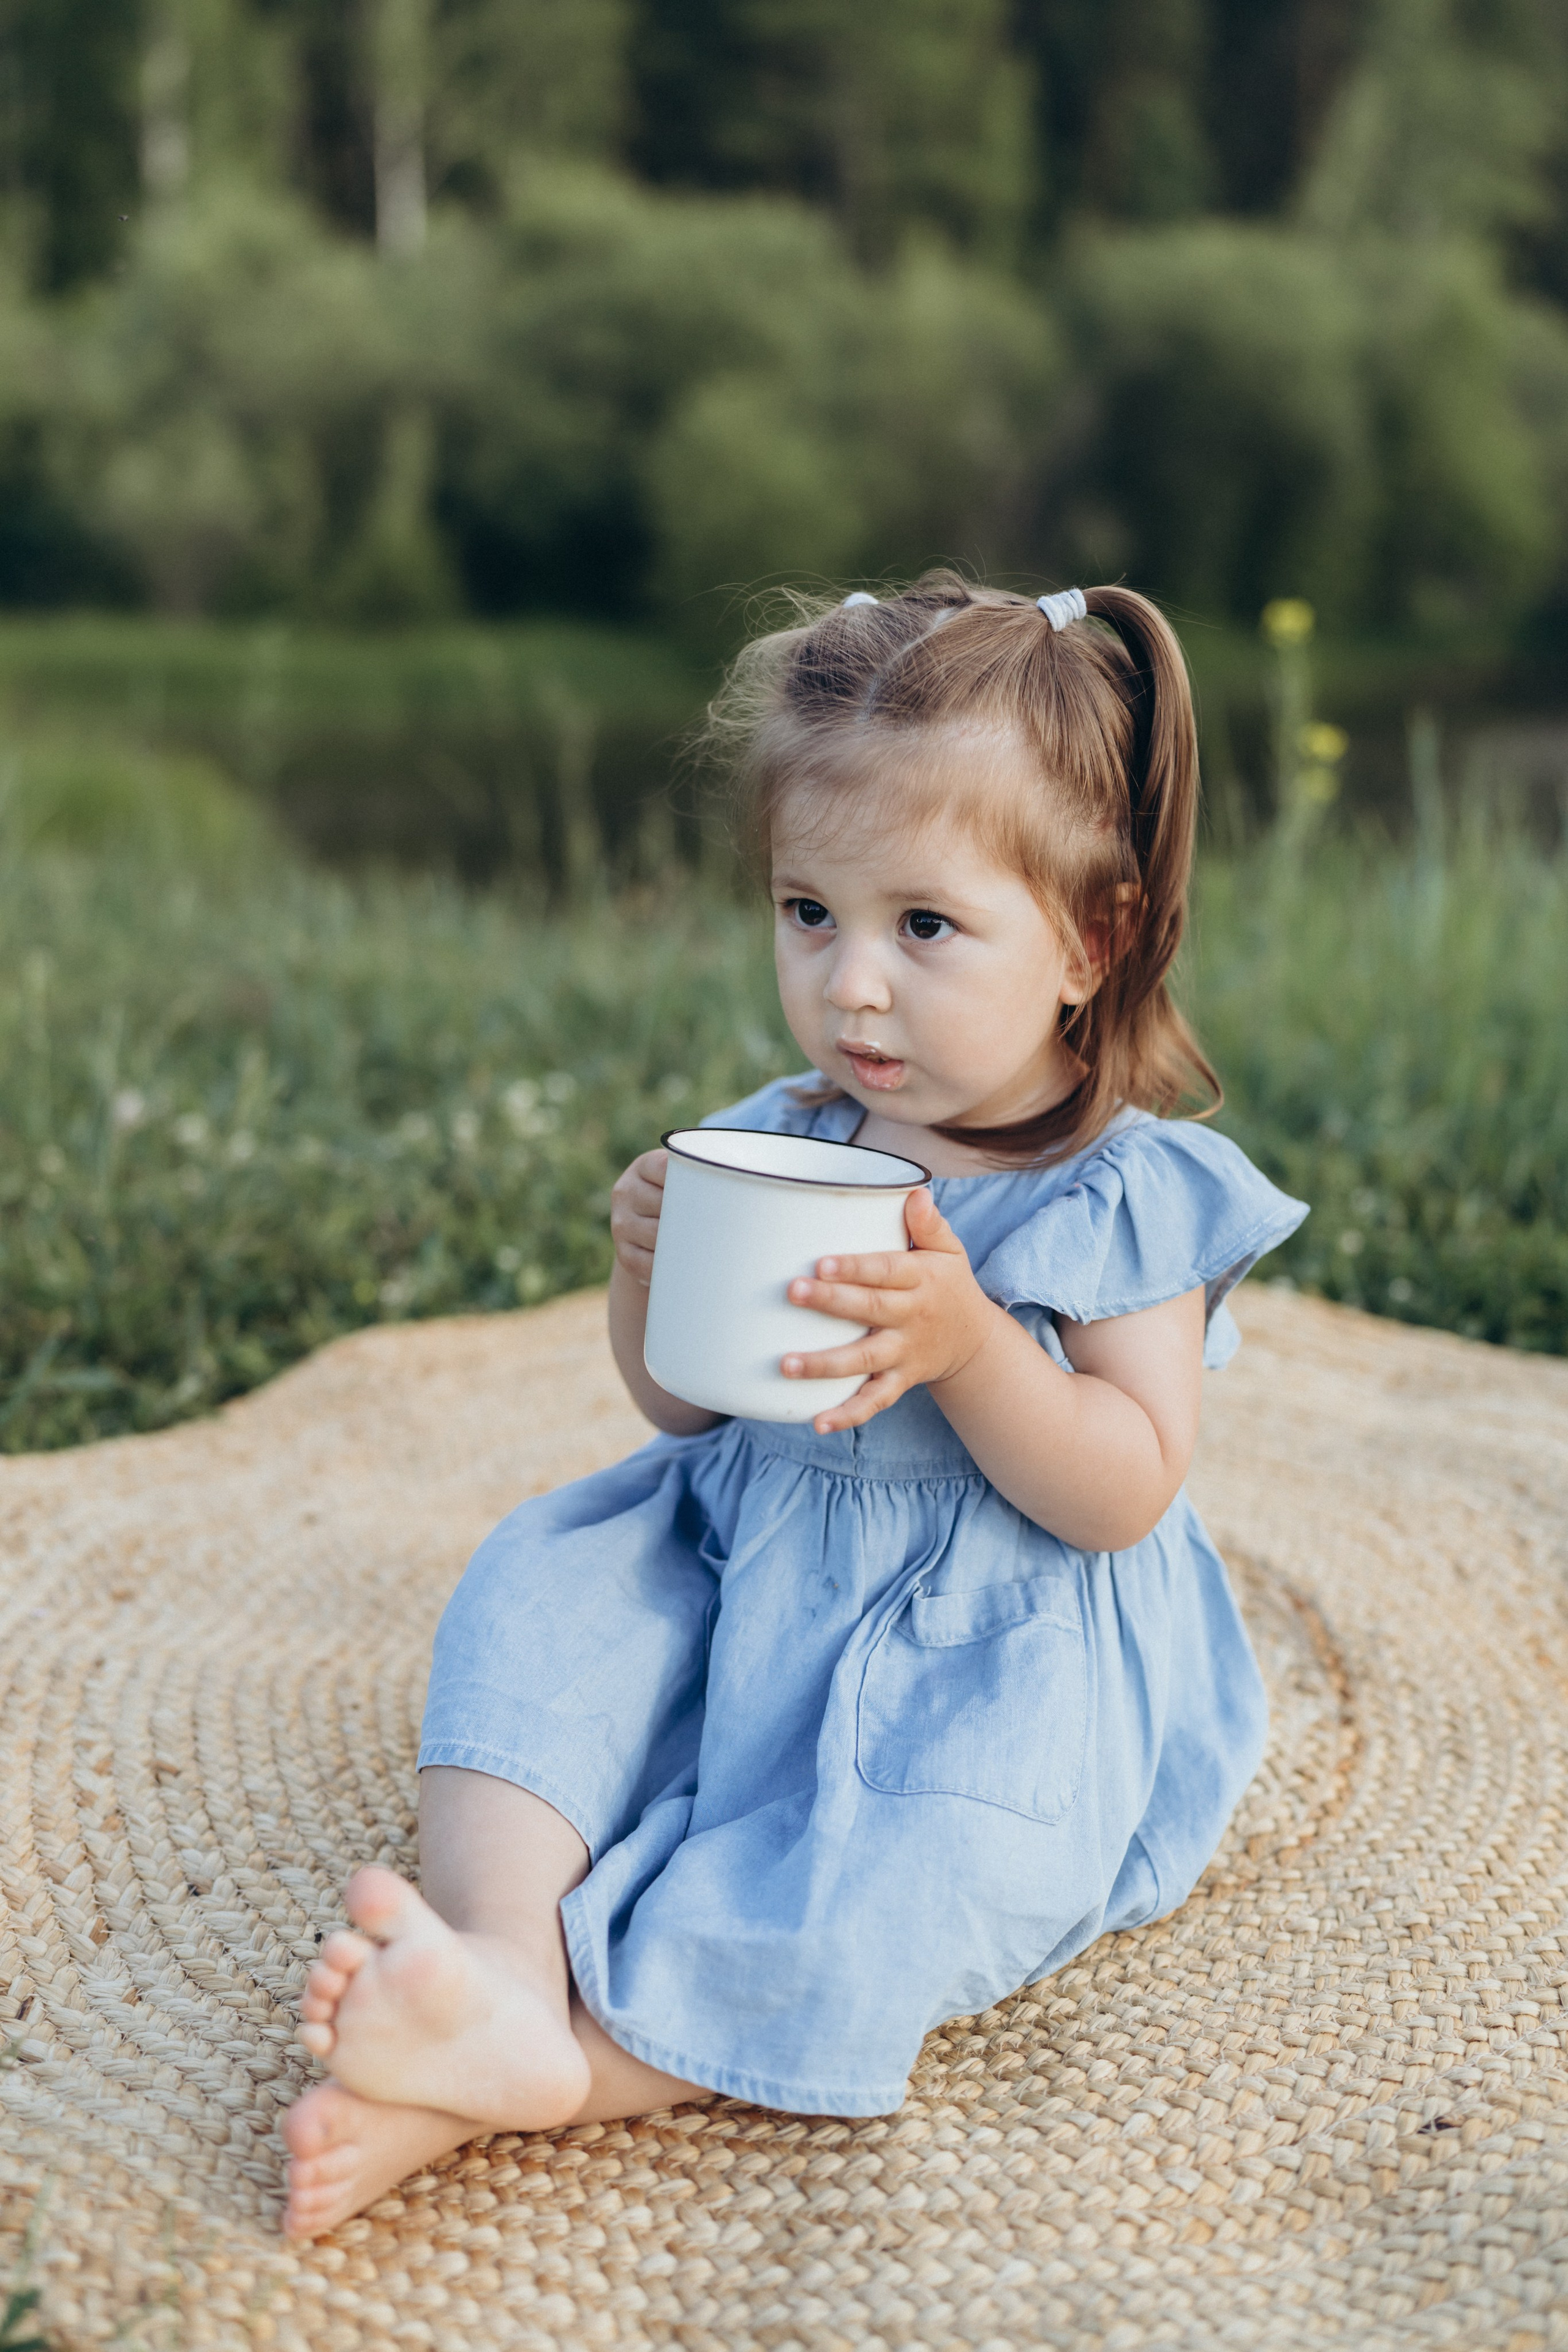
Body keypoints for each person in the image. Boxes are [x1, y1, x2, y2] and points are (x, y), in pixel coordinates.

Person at [282, 574, 1307, 2239]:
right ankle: (489, 1954)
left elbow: (1124, 1485)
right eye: (807, 911)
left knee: (895, 1874)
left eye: (924, 926)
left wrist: (975, 1345)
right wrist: (644, 1280)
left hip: (989, 1642)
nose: (852, 989)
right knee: (549, 1610)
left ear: (1089, 935)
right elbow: (684, 1413)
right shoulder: (795, 1127)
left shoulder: (1122, 1198)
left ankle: (563, 2063)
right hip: (750, 1547)